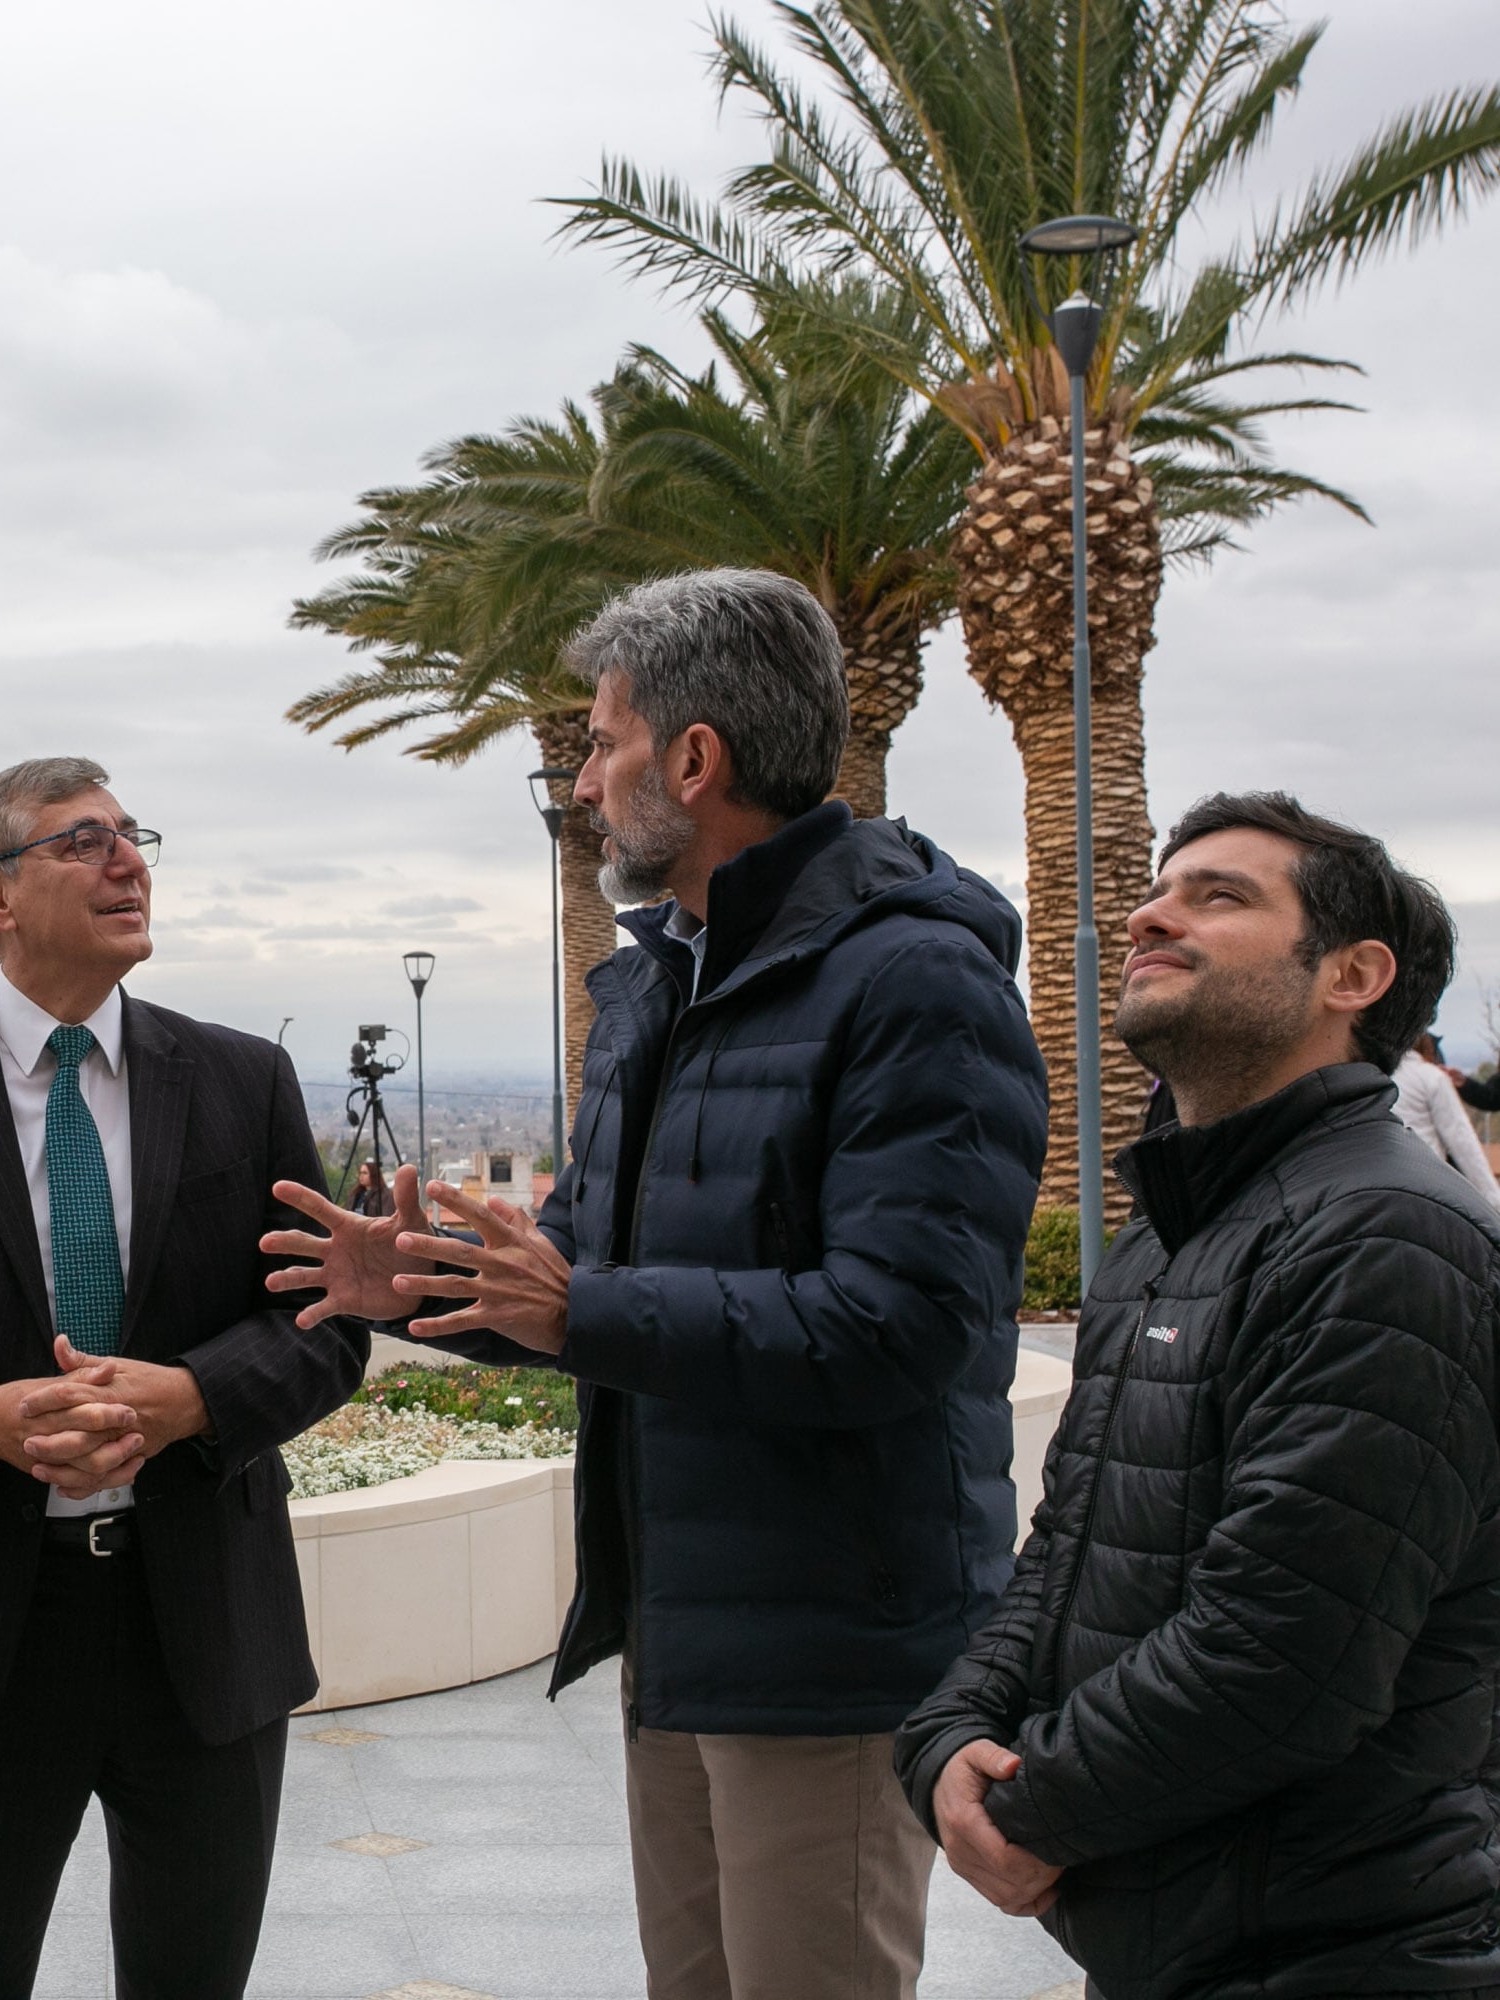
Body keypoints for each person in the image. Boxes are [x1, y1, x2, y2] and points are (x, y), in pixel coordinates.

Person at [270, 568, 1049, 2000]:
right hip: (681, 1625)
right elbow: (585, 1276)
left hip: (831, 1647)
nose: (579, 782)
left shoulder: (914, 982)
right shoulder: (655, 988)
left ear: (697, 760)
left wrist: (579, 1306)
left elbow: (903, 1327)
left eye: (603, 742)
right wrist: (430, 1285)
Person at [0, 755, 367, 2000]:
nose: (129, 860)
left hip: (201, 1631)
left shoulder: (245, 1078)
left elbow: (324, 1321)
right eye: (84, 840)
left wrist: (194, 1397)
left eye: (134, 834)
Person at [897, 793, 1500, 2000]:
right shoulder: (1174, 1233)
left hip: (1342, 1947)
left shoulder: (1391, 1235)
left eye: (1219, 895)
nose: (1149, 915)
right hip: (1174, 1934)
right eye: (1160, 889)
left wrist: (1032, 1803)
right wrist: (948, 1742)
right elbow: (1066, 1545)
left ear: (1354, 974)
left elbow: (1284, 1655)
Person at [1391, 1028, 1500, 1217]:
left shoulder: (1372, 1076)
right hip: (1430, 1184)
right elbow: (1462, 1140)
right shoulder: (1429, 1077)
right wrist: (1493, 1203)